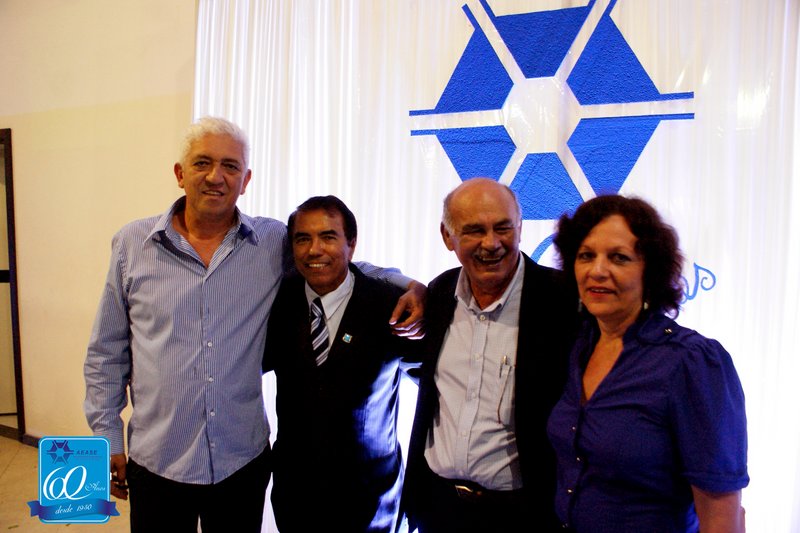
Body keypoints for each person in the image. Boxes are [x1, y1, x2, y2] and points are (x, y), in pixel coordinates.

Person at [83, 117, 425, 532]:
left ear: (245, 180)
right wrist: (107, 439)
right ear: (179, 173)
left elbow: (332, 264)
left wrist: (409, 285)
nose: (216, 177)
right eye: (202, 163)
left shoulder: (270, 242)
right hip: (158, 460)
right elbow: (106, 354)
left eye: (230, 166)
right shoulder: (132, 245)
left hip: (240, 464)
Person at [547, 194, 748, 532]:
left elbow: (720, 513)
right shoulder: (580, 346)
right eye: (586, 256)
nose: (597, 270)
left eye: (619, 258)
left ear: (650, 272)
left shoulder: (691, 362)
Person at [402, 178, 578, 532]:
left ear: (521, 228)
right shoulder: (439, 294)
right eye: (474, 231)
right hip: (439, 510)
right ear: (447, 236)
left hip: (524, 515)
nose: (491, 243)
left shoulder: (562, 300)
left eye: (503, 228)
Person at [263, 195, 421, 532]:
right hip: (296, 499)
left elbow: (436, 387)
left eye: (328, 237)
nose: (314, 250)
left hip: (372, 503)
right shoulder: (277, 303)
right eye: (302, 239)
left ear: (351, 243)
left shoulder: (390, 307)